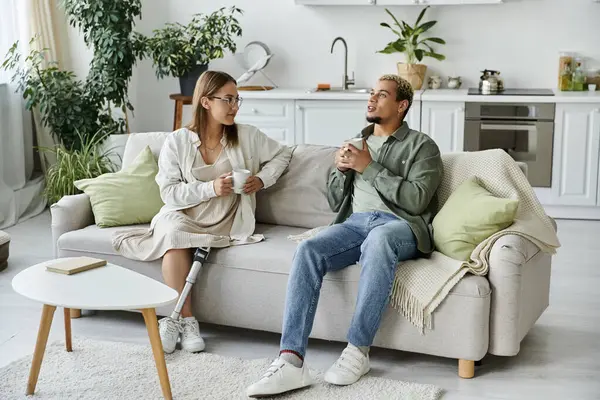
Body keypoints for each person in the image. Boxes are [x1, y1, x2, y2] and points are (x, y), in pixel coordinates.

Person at [246, 74, 443, 397]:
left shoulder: (422, 146)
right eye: (371, 94)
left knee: (379, 240)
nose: (372, 99)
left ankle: (357, 350)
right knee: (309, 248)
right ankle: (291, 360)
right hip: (355, 224)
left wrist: (369, 167)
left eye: (382, 95)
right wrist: (340, 171)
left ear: (401, 105)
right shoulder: (356, 142)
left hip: (400, 226)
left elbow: (417, 200)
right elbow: (336, 201)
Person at [112, 70, 292, 354]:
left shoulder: (247, 135)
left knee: (180, 238)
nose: (235, 106)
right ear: (206, 102)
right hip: (182, 214)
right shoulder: (178, 141)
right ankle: (185, 320)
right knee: (174, 237)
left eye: (237, 100)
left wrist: (263, 180)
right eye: (228, 99)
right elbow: (169, 193)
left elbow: (284, 154)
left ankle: (174, 321)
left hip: (225, 217)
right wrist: (210, 188)